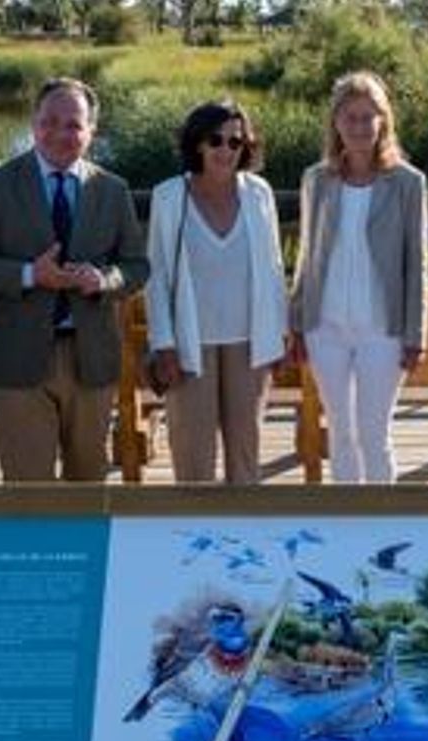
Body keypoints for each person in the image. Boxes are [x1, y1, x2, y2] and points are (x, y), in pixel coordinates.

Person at [0, 77, 147, 482]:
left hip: (90, 357)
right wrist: (28, 274)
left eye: (73, 124)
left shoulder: (112, 189)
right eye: (49, 121)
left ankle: (83, 550)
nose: (60, 133)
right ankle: (34, 549)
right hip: (16, 358)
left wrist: (104, 281)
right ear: (34, 123)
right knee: (27, 491)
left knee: (87, 484)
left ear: (92, 131)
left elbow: (137, 266)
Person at [289, 71, 428, 484]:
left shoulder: (407, 182)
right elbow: (306, 257)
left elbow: (416, 262)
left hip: (382, 331)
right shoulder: (317, 179)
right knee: (341, 433)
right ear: (336, 122)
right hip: (325, 328)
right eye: (350, 117)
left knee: (373, 433)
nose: (360, 126)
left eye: (369, 117)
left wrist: (415, 334)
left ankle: (384, 522)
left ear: (383, 121)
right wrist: (296, 322)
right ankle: (346, 525)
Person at [144, 101, 288, 485]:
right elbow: (157, 276)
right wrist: (164, 344)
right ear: (197, 144)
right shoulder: (169, 196)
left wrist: (279, 334)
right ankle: (194, 537)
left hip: (250, 341)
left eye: (235, 141)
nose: (226, 150)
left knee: (245, 453)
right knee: (193, 456)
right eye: (215, 140)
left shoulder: (259, 194)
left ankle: (244, 534)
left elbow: (274, 269)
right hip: (190, 345)